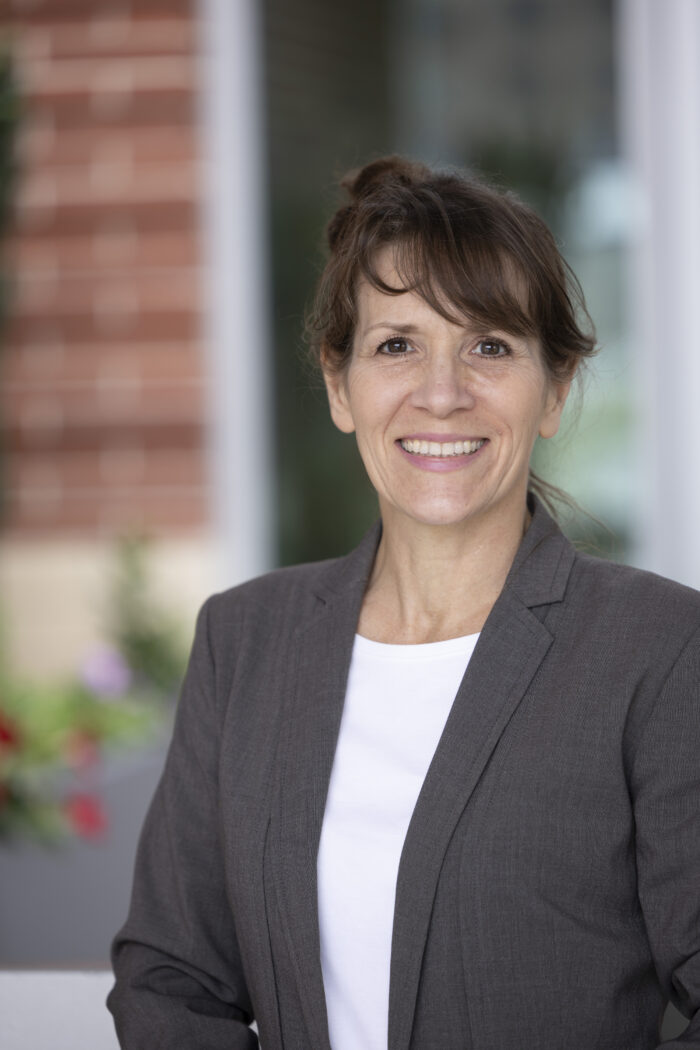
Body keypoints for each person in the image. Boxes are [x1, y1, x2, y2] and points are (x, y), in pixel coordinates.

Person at [108, 156, 700, 1050]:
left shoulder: (658, 649)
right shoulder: (245, 640)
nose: (442, 392)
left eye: (490, 346)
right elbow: (172, 980)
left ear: (558, 388)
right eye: (397, 345)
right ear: (341, 386)